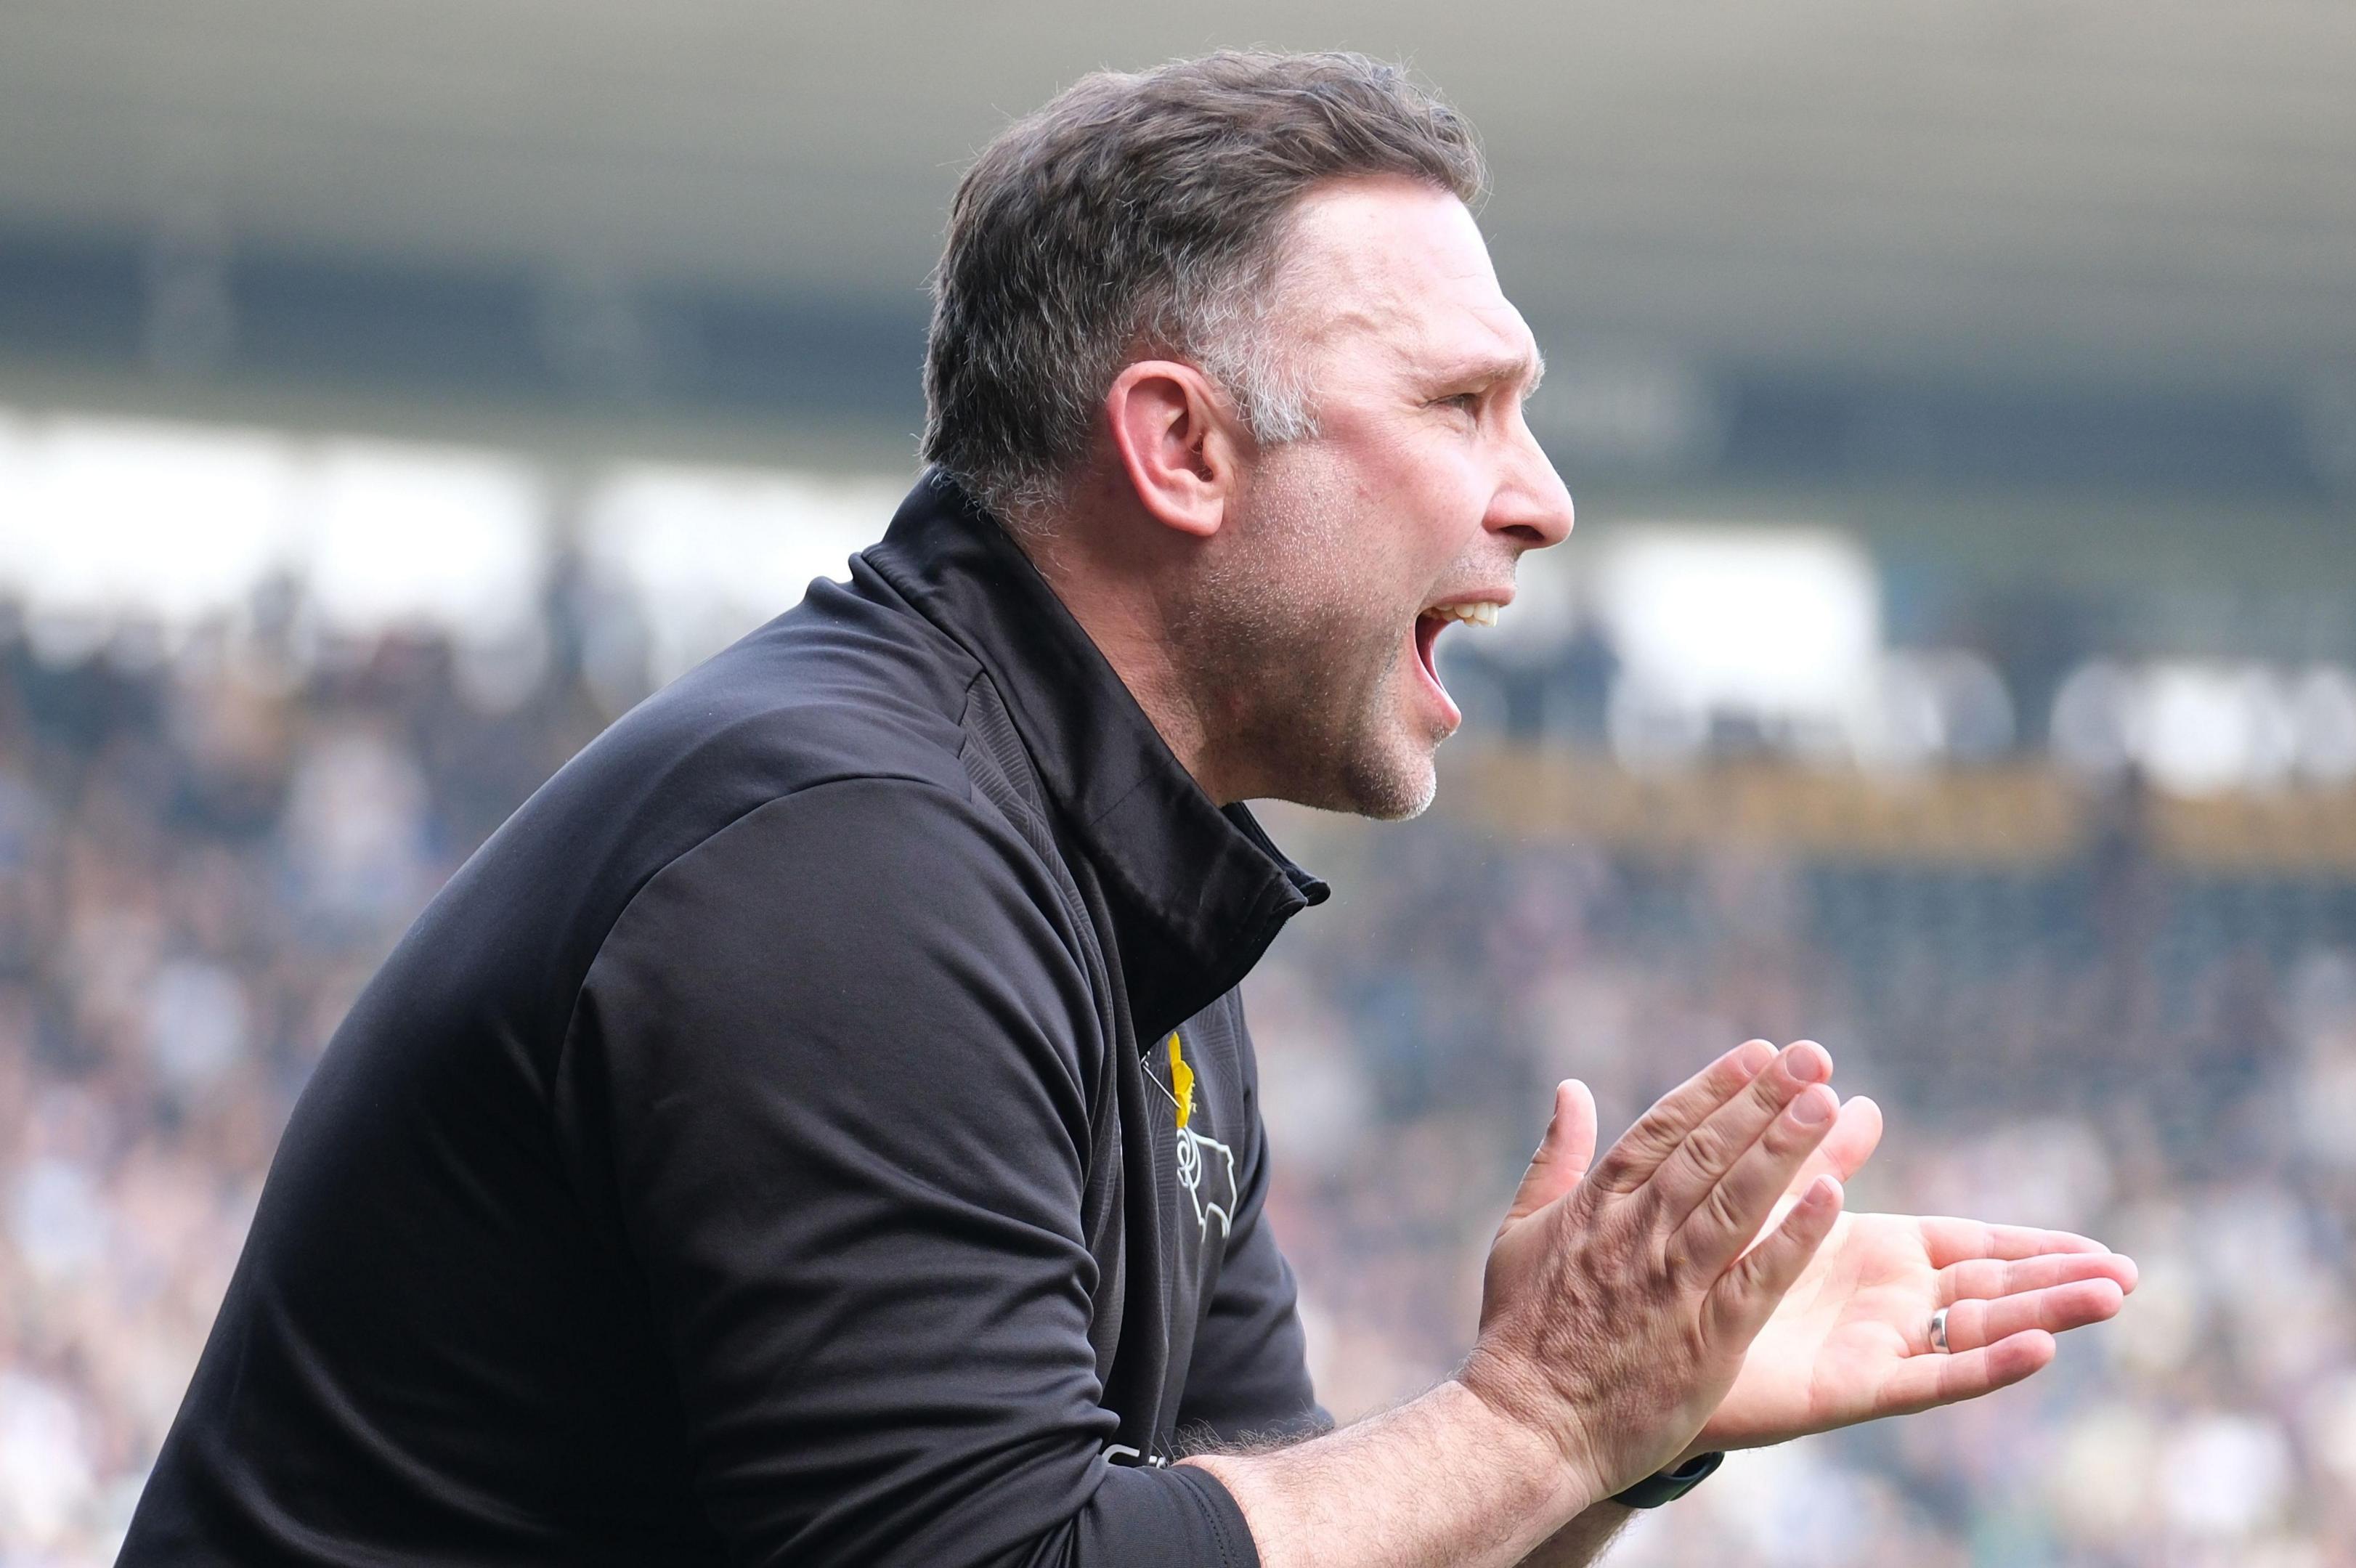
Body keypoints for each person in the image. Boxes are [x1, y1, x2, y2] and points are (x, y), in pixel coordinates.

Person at [119, 51, 2135, 1568]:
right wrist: (1542, 1415)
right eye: (1462, 408)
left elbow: (1236, 1534)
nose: (1544, 497)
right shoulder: (844, 850)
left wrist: (1612, 1438)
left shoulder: (1114, 903)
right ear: (1177, 447)